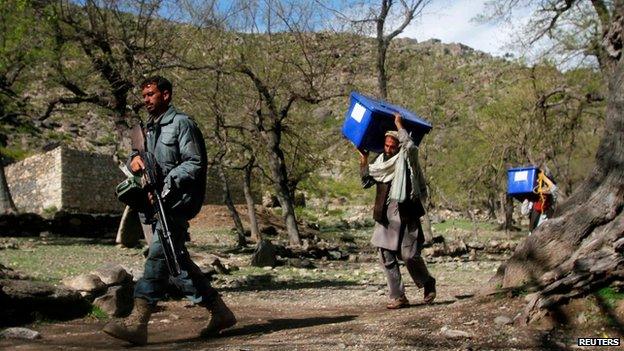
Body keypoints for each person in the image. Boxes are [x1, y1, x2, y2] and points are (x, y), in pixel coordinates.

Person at [103, 76, 236, 345]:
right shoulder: (148, 129)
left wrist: (166, 181)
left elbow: (194, 163)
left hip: (175, 204)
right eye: (144, 95)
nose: (146, 100)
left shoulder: (182, 124)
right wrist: (135, 161)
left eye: (151, 94)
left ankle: (137, 322)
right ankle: (219, 311)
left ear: (166, 95)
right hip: (153, 204)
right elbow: (136, 154)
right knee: (177, 263)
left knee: (157, 256)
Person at [358, 113, 436, 309]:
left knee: (409, 256)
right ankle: (398, 296)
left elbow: (410, 146)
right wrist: (364, 161)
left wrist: (399, 125)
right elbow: (367, 182)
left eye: (393, 146)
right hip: (385, 217)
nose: (389, 149)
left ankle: (427, 282)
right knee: (387, 257)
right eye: (387, 145)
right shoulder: (380, 163)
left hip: (407, 214)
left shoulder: (407, 158)